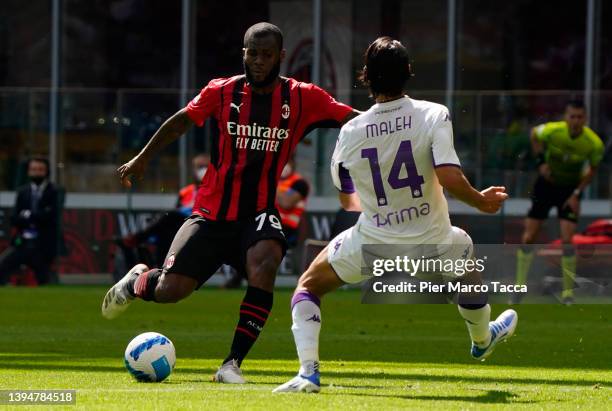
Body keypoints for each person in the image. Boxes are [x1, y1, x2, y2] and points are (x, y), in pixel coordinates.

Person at [101, 22, 359, 383]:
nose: (257, 61)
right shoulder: (221, 91)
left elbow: (352, 120)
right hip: (210, 214)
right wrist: (143, 157)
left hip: (257, 213)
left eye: (266, 55)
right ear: (243, 53)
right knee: (170, 291)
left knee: (266, 263)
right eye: (252, 53)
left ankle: (230, 364)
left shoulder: (304, 97)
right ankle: (137, 282)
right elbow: (179, 123)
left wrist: (396, 126)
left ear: (281, 57)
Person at [273, 37, 517, 393]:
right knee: (467, 265)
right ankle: (482, 339)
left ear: (366, 77)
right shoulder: (433, 114)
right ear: (408, 72)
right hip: (433, 240)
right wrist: (481, 201)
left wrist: (381, 206)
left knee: (308, 287)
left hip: (373, 240)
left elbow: (346, 197)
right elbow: (449, 176)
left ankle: (308, 373)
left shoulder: (350, 132)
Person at [514, 100, 604, 305]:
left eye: (580, 117)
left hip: (569, 190)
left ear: (585, 119)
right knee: (529, 237)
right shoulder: (553, 131)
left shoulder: (593, 143)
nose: (575, 121)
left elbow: (592, 169)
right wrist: (541, 163)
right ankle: (518, 290)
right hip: (546, 186)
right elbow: (534, 134)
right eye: (572, 116)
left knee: (567, 239)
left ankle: (567, 294)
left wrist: (576, 194)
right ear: (566, 117)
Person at [222, 156, 310, 288]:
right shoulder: (270, 182)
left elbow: (287, 203)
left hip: (287, 227)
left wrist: (270, 183)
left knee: (255, 239)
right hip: (265, 221)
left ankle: (241, 279)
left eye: (288, 162)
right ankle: (243, 277)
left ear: (293, 163)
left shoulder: (299, 183)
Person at [117, 154, 210, 268]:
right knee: (164, 231)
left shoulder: (212, 190)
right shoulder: (186, 191)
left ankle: (137, 238)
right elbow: (178, 209)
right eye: (199, 166)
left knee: (169, 217)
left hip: (200, 222)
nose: (203, 170)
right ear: (194, 169)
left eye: (206, 166)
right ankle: (160, 269)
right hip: (181, 223)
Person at [0, 157, 62, 285]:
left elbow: (50, 216)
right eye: (33, 169)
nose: (36, 172)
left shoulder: (55, 191)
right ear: (28, 171)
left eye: (40, 169)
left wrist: (27, 215)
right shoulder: (22, 192)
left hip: (44, 244)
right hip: (22, 242)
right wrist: (35, 216)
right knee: (3, 265)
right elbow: (15, 218)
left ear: (46, 171)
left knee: (44, 279)